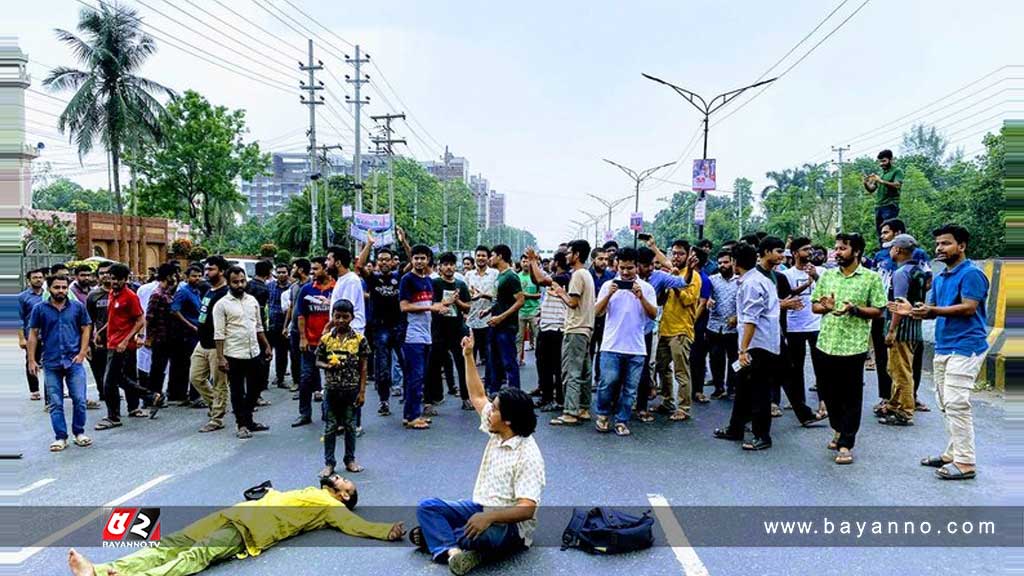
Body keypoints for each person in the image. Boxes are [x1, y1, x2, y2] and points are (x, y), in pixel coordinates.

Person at [67, 476, 406, 576]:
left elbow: (355, 525)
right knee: (170, 543)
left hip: (247, 532)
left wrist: (385, 530)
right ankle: (102, 569)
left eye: (347, 485)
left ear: (343, 497)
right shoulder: (311, 491)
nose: (343, 480)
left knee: (196, 556)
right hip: (235, 513)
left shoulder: (332, 508)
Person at [412, 332, 544, 576]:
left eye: (494, 410)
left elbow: (527, 510)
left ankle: (441, 540)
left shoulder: (528, 455)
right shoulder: (499, 429)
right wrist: (469, 355)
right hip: (480, 506)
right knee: (428, 508)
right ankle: (453, 552)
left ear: (508, 420)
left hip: (511, 526)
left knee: (482, 533)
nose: (488, 411)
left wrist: (490, 518)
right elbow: (477, 395)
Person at [908, 225, 988, 481]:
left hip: (966, 346)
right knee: (945, 404)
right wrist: (912, 309)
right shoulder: (942, 276)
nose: (939, 248)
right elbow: (932, 307)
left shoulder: (972, 274)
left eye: (946, 243)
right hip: (944, 345)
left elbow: (968, 308)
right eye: (938, 244)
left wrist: (932, 312)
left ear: (961, 246)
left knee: (956, 403)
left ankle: (965, 462)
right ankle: (953, 452)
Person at [811, 233, 886, 465]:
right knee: (828, 392)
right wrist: (825, 307)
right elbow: (814, 306)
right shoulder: (827, 276)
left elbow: (879, 310)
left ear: (856, 252)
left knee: (851, 396)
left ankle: (846, 443)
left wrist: (855, 309)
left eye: (842, 248)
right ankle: (838, 428)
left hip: (853, 347)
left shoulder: (871, 278)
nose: (837, 252)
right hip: (826, 343)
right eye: (836, 248)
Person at [713, 242, 780, 450]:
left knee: (759, 391)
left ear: (734, 262)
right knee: (743, 387)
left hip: (758, 346)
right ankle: (736, 428)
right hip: (755, 343)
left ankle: (762, 435)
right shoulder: (754, 279)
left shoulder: (752, 284)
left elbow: (751, 319)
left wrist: (743, 349)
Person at [593, 248, 658, 437]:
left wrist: (641, 297)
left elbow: (654, 315)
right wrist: (609, 295)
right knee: (607, 382)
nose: (626, 272)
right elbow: (597, 312)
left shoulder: (646, 288)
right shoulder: (607, 286)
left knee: (630, 389)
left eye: (630, 268)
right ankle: (603, 415)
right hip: (611, 345)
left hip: (636, 347)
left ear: (636, 267)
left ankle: (622, 420)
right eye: (622, 268)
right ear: (616, 266)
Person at [94, 263, 163, 431]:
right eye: (112, 278)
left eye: (118, 279)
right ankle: (152, 396)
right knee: (119, 379)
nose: (114, 282)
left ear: (125, 279)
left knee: (109, 382)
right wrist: (100, 332)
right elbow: (113, 318)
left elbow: (140, 320)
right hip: (112, 342)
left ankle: (113, 416)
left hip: (122, 345)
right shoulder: (112, 293)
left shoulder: (130, 296)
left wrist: (127, 340)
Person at [27, 275, 93, 452]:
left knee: (79, 399)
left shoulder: (77, 307)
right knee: (56, 402)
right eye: (57, 287)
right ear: (49, 289)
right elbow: (33, 334)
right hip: (51, 362)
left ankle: (79, 433)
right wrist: (31, 359)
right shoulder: (39, 309)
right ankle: (61, 437)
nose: (61, 291)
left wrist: (82, 352)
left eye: (64, 287)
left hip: (74, 361)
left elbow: (86, 328)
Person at [873, 218, 932, 412]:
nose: (889, 251)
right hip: (915, 328)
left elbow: (899, 304)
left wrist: (891, 330)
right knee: (902, 369)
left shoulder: (900, 274)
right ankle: (894, 403)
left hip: (902, 330)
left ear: (897, 250)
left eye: (891, 247)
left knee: (900, 372)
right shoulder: (919, 271)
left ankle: (905, 410)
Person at [214, 266, 272, 440]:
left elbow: (259, 326)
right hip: (234, 354)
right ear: (228, 282)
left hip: (253, 351)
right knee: (238, 391)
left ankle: (249, 419)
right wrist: (220, 357)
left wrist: (267, 345)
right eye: (235, 282)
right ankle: (242, 424)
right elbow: (219, 333)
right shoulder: (221, 305)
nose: (240, 285)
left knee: (258, 385)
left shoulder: (252, 301)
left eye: (242, 281)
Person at [317, 299, 370, 475]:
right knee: (330, 427)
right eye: (337, 316)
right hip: (331, 389)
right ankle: (329, 462)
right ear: (332, 317)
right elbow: (318, 360)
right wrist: (327, 366)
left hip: (351, 389)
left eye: (345, 317)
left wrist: (362, 392)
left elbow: (363, 367)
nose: (340, 320)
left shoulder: (359, 340)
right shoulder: (326, 339)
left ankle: (350, 459)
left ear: (352, 318)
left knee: (350, 426)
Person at [547, 239, 595, 427]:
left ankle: (570, 411)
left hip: (575, 328)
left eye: (569, 253)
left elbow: (573, 302)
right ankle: (583, 408)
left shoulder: (577, 275)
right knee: (584, 370)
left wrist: (560, 293)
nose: (566, 256)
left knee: (571, 371)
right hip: (586, 328)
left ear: (576, 255)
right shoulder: (587, 274)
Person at [400, 245, 448, 429]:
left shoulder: (428, 281)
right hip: (412, 336)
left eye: (423, 258)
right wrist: (431, 307)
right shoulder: (407, 280)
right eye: (416, 258)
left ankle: (410, 414)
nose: (419, 262)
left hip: (426, 334)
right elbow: (404, 307)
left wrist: (444, 305)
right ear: (411, 259)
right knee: (416, 377)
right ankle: (413, 417)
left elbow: (431, 304)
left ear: (428, 260)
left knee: (419, 377)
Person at [358, 238, 406, 416]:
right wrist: (369, 244)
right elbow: (359, 265)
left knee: (405, 363)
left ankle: (409, 396)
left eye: (388, 259)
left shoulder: (399, 277)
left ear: (393, 261)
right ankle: (384, 401)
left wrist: (404, 243)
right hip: (380, 329)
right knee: (383, 367)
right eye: (381, 260)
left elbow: (411, 261)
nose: (384, 262)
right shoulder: (372, 279)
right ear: (377, 262)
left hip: (398, 326)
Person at [655, 241, 700, 421]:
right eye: (674, 253)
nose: (676, 257)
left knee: (681, 371)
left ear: (688, 255)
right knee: (661, 367)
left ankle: (684, 407)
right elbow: (660, 301)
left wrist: (675, 283)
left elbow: (688, 300)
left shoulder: (693, 276)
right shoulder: (669, 274)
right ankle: (667, 400)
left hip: (681, 329)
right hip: (665, 327)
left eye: (680, 254)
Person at [781, 238, 827, 418]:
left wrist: (815, 277)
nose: (810, 253)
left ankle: (824, 401)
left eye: (811, 249)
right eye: (805, 249)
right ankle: (799, 403)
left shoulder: (822, 271)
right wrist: (806, 284)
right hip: (795, 326)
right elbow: (787, 295)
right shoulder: (787, 274)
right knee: (795, 367)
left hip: (816, 324)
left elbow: (829, 291)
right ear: (794, 253)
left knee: (821, 365)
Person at [190, 256, 232, 433]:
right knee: (196, 377)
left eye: (211, 269)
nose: (206, 273)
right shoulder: (208, 290)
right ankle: (215, 404)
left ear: (221, 271)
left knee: (219, 382)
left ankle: (217, 418)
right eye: (206, 269)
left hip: (217, 346)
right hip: (202, 343)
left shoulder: (226, 294)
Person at [294, 257, 335, 428]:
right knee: (305, 379)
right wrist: (302, 337)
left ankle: (329, 413)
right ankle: (304, 414)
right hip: (310, 342)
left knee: (330, 381)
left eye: (316, 269)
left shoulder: (337, 288)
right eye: (312, 269)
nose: (313, 272)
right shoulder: (306, 290)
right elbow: (301, 315)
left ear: (326, 269)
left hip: (331, 343)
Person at [428, 252, 472, 409]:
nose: (449, 267)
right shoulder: (434, 283)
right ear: (440, 267)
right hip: (438, 329)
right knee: (434, 365)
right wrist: (444, 303)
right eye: (445, 264)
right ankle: (432, 398)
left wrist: (458, 301)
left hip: (457, 330)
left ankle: (466, 397)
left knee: (462, 364)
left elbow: (468, 306)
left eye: (451, 264)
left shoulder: (461, 284)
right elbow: (430, 304)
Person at [529, 251, 569, 412]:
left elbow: (539, 279)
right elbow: (535, 279)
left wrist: (533, 261)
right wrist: (534, 264)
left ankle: (558, 399)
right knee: (543, 364)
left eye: (553, 260)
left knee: (555, 367)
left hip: (557, 327)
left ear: (557, 263)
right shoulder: (554, 276)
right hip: (546, 326)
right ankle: (546, 397)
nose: (550, 262)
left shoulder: (564, 278)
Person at [487, 245, 524, 393]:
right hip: (495, 325)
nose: (490, 258)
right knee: (495, 361)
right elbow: (500, 300)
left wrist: (501, 317)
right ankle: (494, 391)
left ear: (500, 256)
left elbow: (520, 301)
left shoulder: (511, 276)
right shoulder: (500, 275)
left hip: (506, 326)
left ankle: (515, 394)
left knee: (509, 362)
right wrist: (489, 310)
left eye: (492, 255)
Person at [706, 250, 739, 400]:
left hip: (734, 327)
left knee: (734, 359)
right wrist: (708, 300)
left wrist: (738, 317)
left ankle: (731, 387)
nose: (722, 265)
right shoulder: (712, 280)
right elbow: (705, 296)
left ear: (733, 262)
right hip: (714, 325)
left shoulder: (741, 281)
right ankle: (719, 387)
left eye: (726, 262)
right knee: (715, 357)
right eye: (720, 263)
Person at [144, 263, 178, 405]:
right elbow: (149, 317)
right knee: (157, 369)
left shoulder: (166, 292)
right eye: (174, 275)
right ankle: (152, 396)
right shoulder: (157, 294)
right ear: (168, 276)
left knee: (161, 368)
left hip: (167, 337)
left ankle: (156, 395)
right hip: (159, 338)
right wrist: (148, 337)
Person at [170, 264, 203, 406]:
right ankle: (193, 396)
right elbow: (175, 310)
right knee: (193, 365)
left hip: (196, 333)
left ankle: (190, 394)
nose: (197, 278)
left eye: (199, 275)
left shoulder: (196, 291)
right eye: (194, 276)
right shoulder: (183, 292)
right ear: (186, 277)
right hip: (187, 334)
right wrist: (190, 325)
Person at [466, 246, 498, 379]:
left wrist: (483, 295)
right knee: (470, 355)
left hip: (489, 319)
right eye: (478, 255)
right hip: (472, 320)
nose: (480, 258)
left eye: (483, 255)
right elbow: (466, 296)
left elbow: (497, 297)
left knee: (490, 354)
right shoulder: (468, 275)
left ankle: (490, 383)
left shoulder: (495, 274)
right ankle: (471, 384)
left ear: (488, 257)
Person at [282, 258, 311, 392]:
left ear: (300, 270)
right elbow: (291, 307)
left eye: (293, 268)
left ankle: (311, 385)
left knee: (309, 357)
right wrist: (285, 326)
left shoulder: (312, 285)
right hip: (294, 328)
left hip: (308, 327)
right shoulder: (294, 287)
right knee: (294, 356)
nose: (291, 271)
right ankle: (296, 382)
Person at [86, 264, 113, 405]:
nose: (105, 275)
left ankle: (111, 391)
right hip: (99, 339)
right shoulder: (93, 296)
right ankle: (103, 393)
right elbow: (88, 320)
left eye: (108, 273)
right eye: (102, 273)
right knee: (99, 368)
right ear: (98, 277)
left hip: (117, 338)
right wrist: (88, 342)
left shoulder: (120, 293)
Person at [18, 267, 46, 401]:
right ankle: (34, 390)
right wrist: (22, 338)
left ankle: (53, 388)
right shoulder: (22, 297)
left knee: (51, 362)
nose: (38, 280)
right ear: (29, 281)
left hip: (48, 334)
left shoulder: (47, 295)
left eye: (40, 277)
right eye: (35, 278)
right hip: (31, 336)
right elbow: (18, 319)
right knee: (31, 361)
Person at [328, 245, 367, 335]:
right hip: (341, 331)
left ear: (338, 263)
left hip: (350, 333)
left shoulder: (351, 280)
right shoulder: (342, 279)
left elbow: (344, 309)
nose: (326, 263)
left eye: (329, 259)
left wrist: (327, 327)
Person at [863, 149, 904, 232]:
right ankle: (882, 245)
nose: (881, 164)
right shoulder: (881, 174)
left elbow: (897, 185)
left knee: (889, 231)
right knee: (881, 233)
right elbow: (872, 190)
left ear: (891, 160)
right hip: (878, 206)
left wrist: (880, 181)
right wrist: (865, 183)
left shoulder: (897, 171)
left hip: (890, 205)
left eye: (884, 161)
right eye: (880, 162)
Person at [267, 262, 292, 388]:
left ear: (288, 273)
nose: (281, 275)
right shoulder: (270, 286)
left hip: (284, 325)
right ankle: (262, 381)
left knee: (282, 353)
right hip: (270, 324)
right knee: (266, 352)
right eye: (279, 272)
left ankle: (280, 377)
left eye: (284, 272)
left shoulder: (292, 288)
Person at [516, 254, 542, 365]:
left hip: (534, 311)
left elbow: (540, 295)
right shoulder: (517, 277)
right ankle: (518, 360)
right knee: (519, 338)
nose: (526, 264)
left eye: (527, 261)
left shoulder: (536, 276)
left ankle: (540, 360)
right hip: (520, 311)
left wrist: (526, 295)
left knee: (538, 338)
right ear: (520, 263)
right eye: (523, 261)